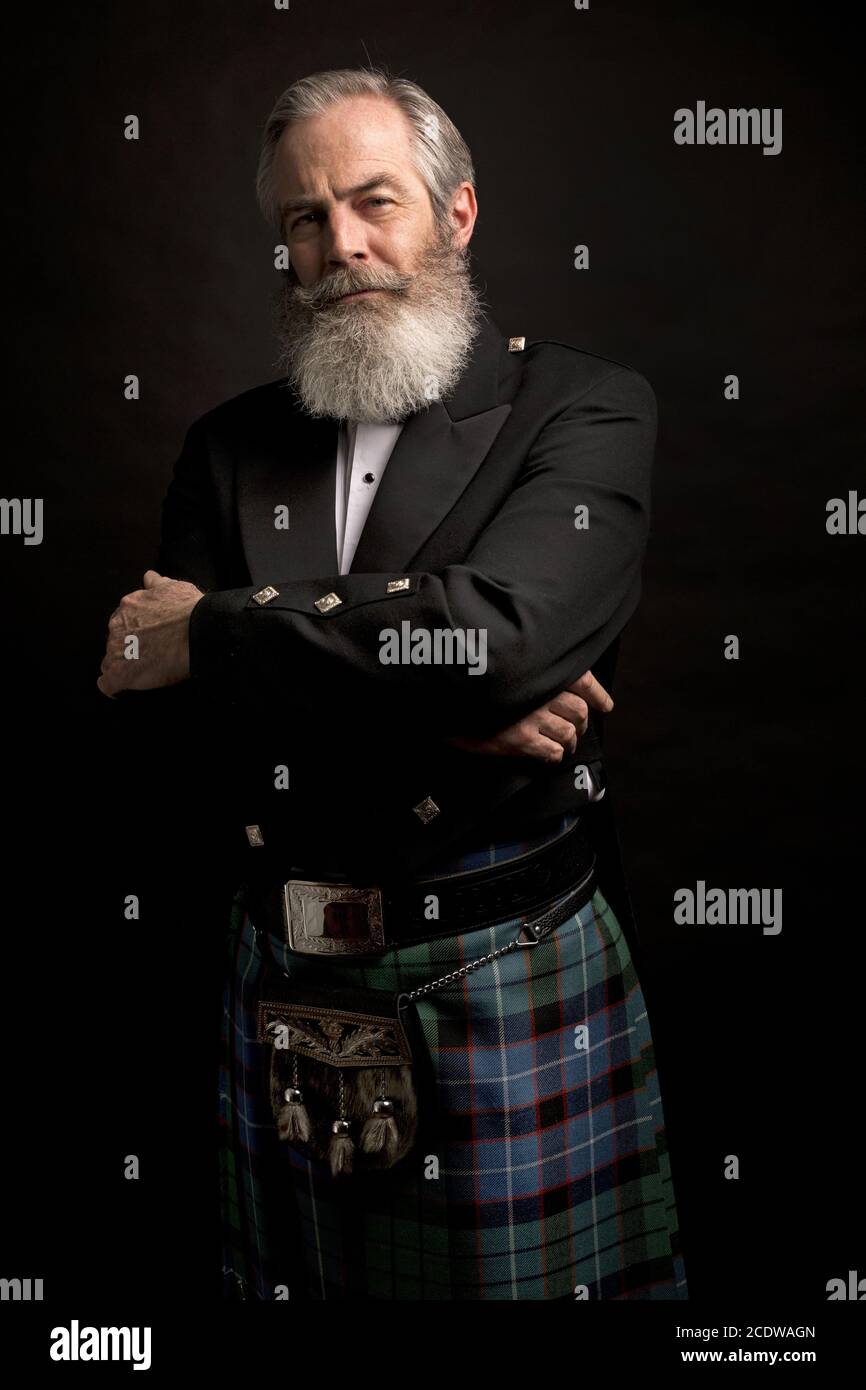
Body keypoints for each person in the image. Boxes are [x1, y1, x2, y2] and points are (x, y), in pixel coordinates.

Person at [97, 65, 687, 1301]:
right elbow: (156, 721)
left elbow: (497, 643)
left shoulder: (582, 405)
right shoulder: (225, 443)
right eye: (306, 219)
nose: (342, 245)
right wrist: (455, 709)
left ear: (455, 212)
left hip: (498, 972)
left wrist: (220, 629)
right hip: (278, 968)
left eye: (376, 203)